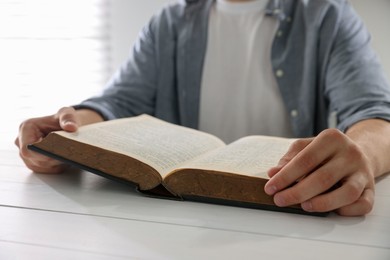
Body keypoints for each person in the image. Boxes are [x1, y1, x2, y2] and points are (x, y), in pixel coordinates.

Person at [15, 0, 390, 216]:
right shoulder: (169, 22)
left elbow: (376, 114)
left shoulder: (326, 15)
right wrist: (68, 132)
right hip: (180, 213)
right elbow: (118, 102)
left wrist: (363, 157)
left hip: (285, 206)